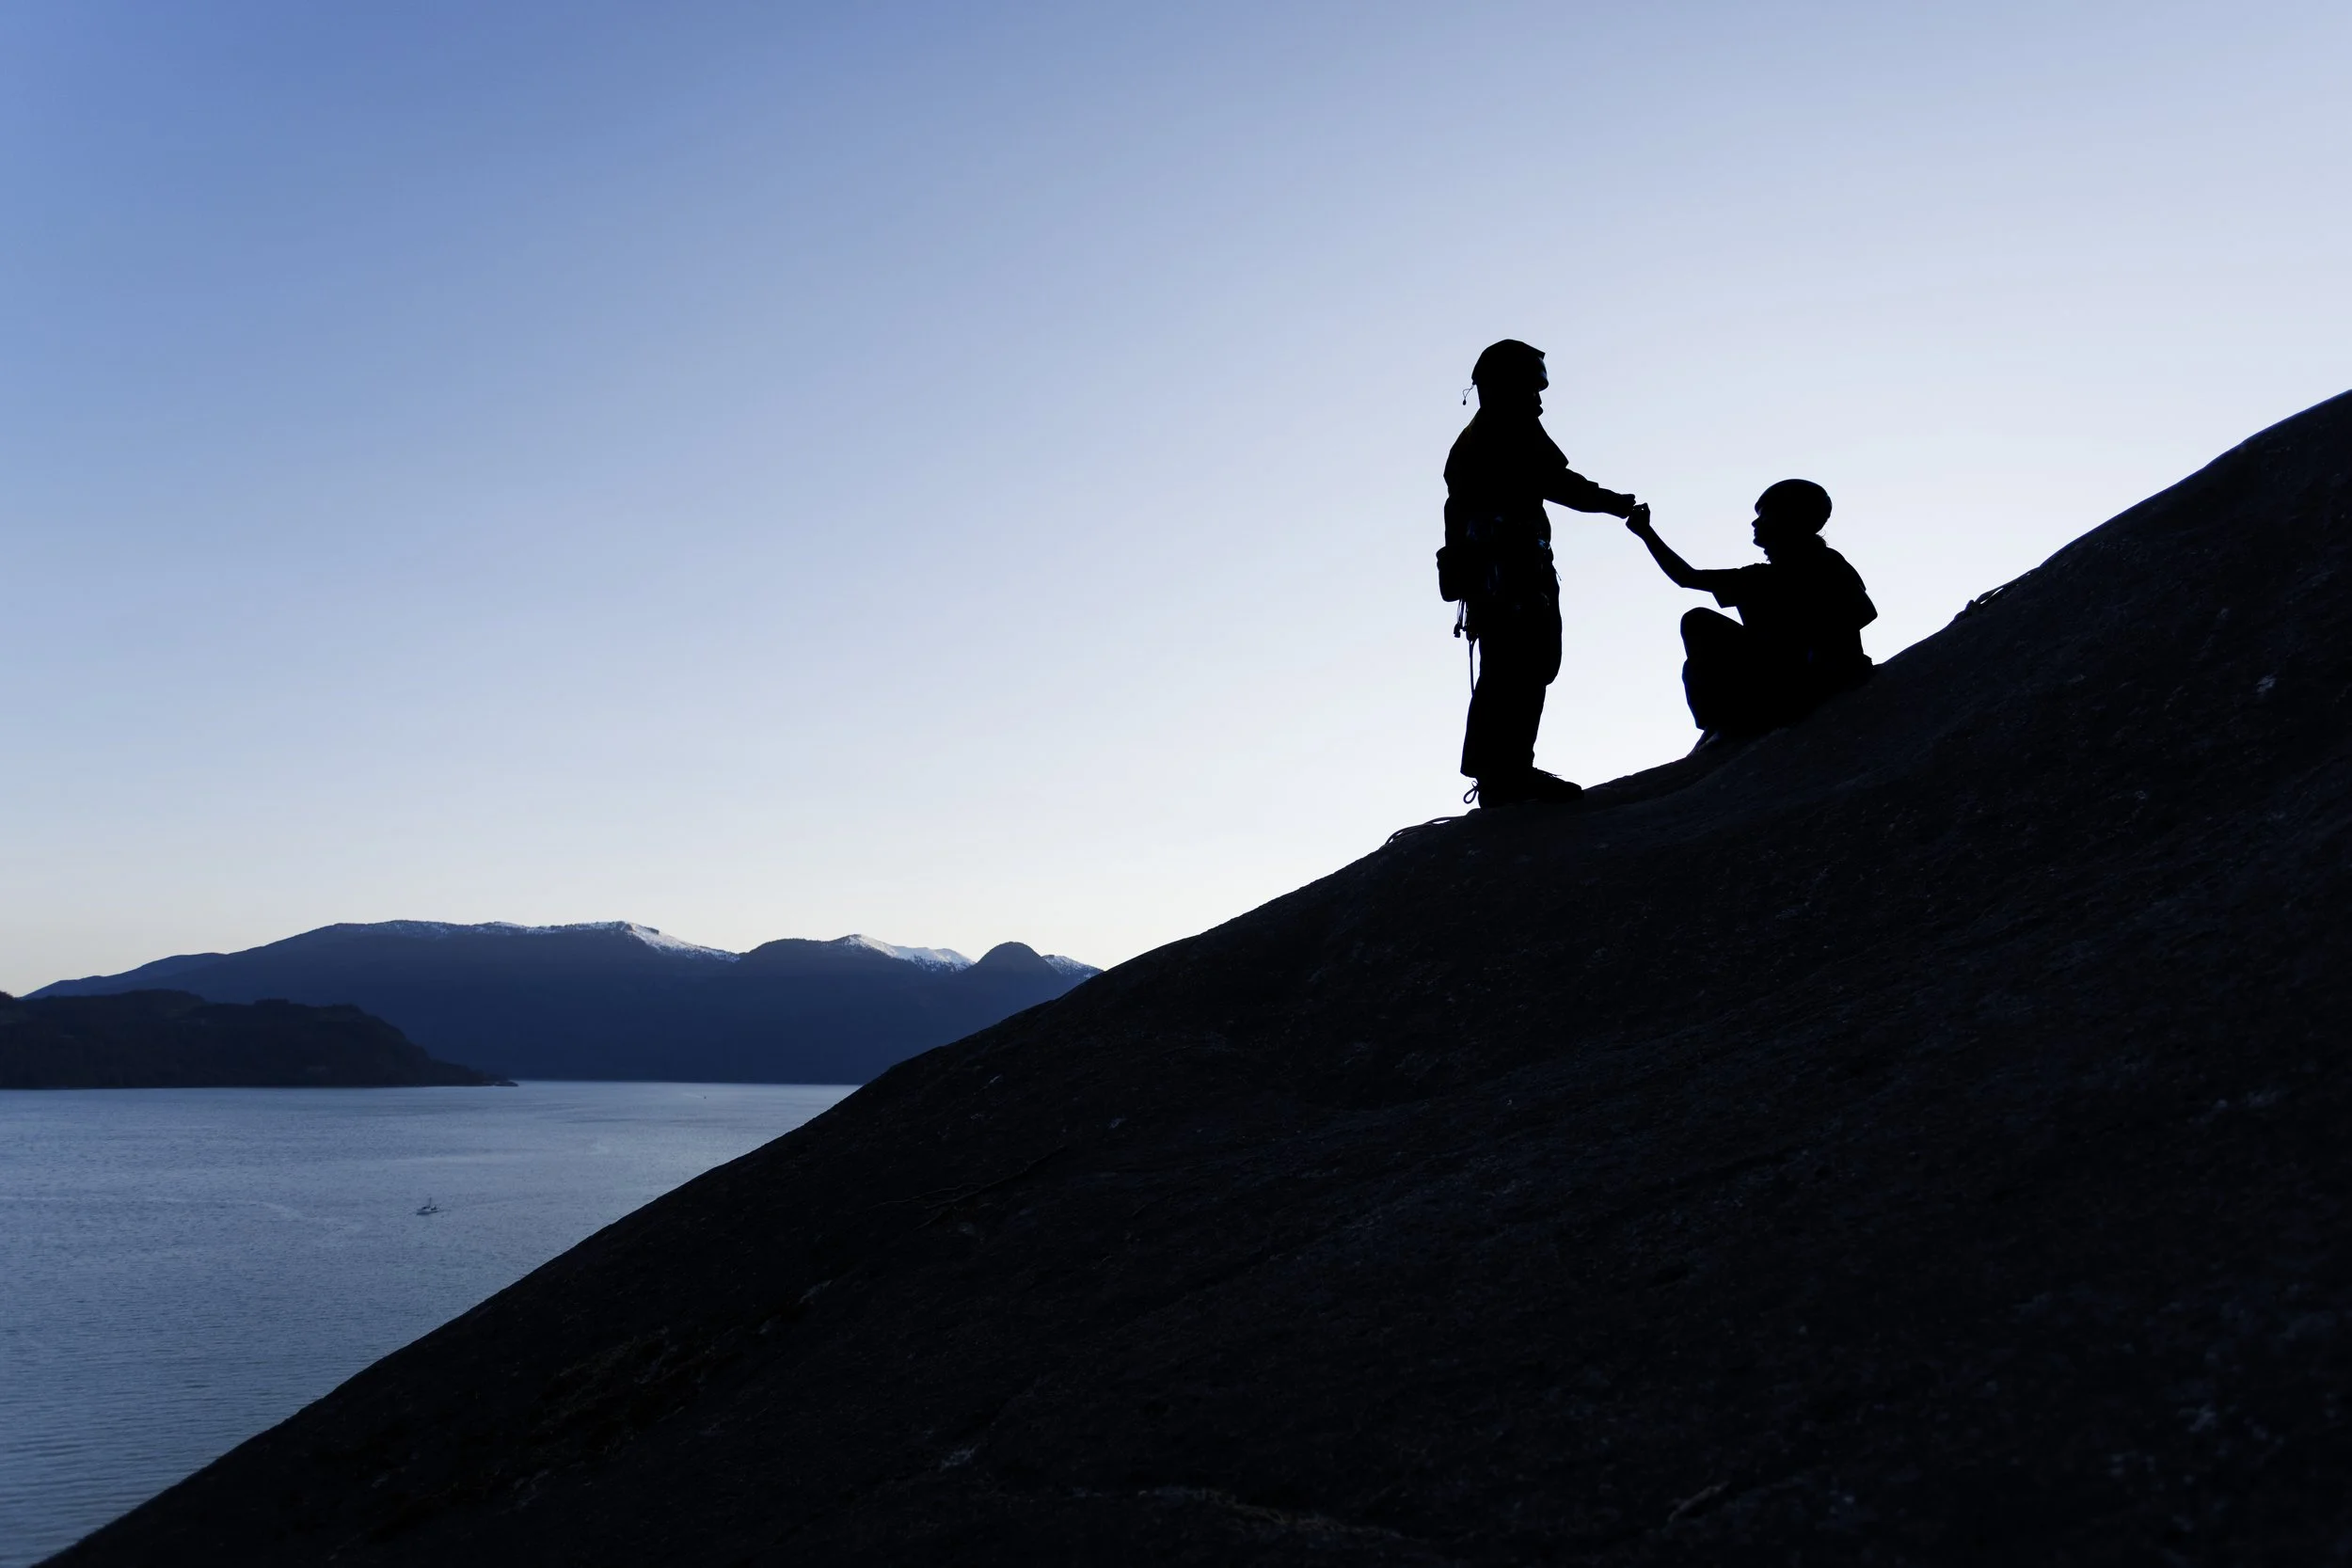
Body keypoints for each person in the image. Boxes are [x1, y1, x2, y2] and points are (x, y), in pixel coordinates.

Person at [1442, 340, 1640, 805]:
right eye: (1530, 389)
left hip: (1502, 573)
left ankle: (1502, 771)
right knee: (1521, 664)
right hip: (1509, 574)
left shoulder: (1482, 434)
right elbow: (1556, 482)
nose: (1538, 400)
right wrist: (1613, 503)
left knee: (1515, 665)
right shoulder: (1505, 430)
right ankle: (1506, 774)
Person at [1625, 479, 1876, 744]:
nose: (1756, 523)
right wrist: (1646, 533)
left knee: (1697, 622)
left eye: (1765, 515)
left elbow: (1856, 615)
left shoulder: (1824, 564)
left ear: (1790, 516)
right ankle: (1724, 721)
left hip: (1802, 681)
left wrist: (1831, 670)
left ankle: (1731, 721)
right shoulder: (1759, 577)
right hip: (1777, 679)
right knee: (1697, 629)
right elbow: (1687, 577)